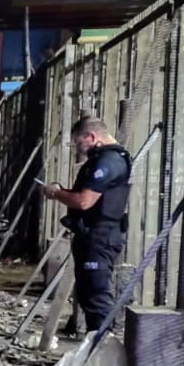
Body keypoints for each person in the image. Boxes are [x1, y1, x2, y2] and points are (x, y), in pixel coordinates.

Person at [44, 116, 131, 336]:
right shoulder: (102, 159)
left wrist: (56, 193)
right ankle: (94, 344)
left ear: (91, 136)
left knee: (96, 295)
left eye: (78, 142)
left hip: (100, 236)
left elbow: (84, 201)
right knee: (87, 293)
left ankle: (102, 348)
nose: (77, 148)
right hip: (92, 235)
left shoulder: (109, 162)